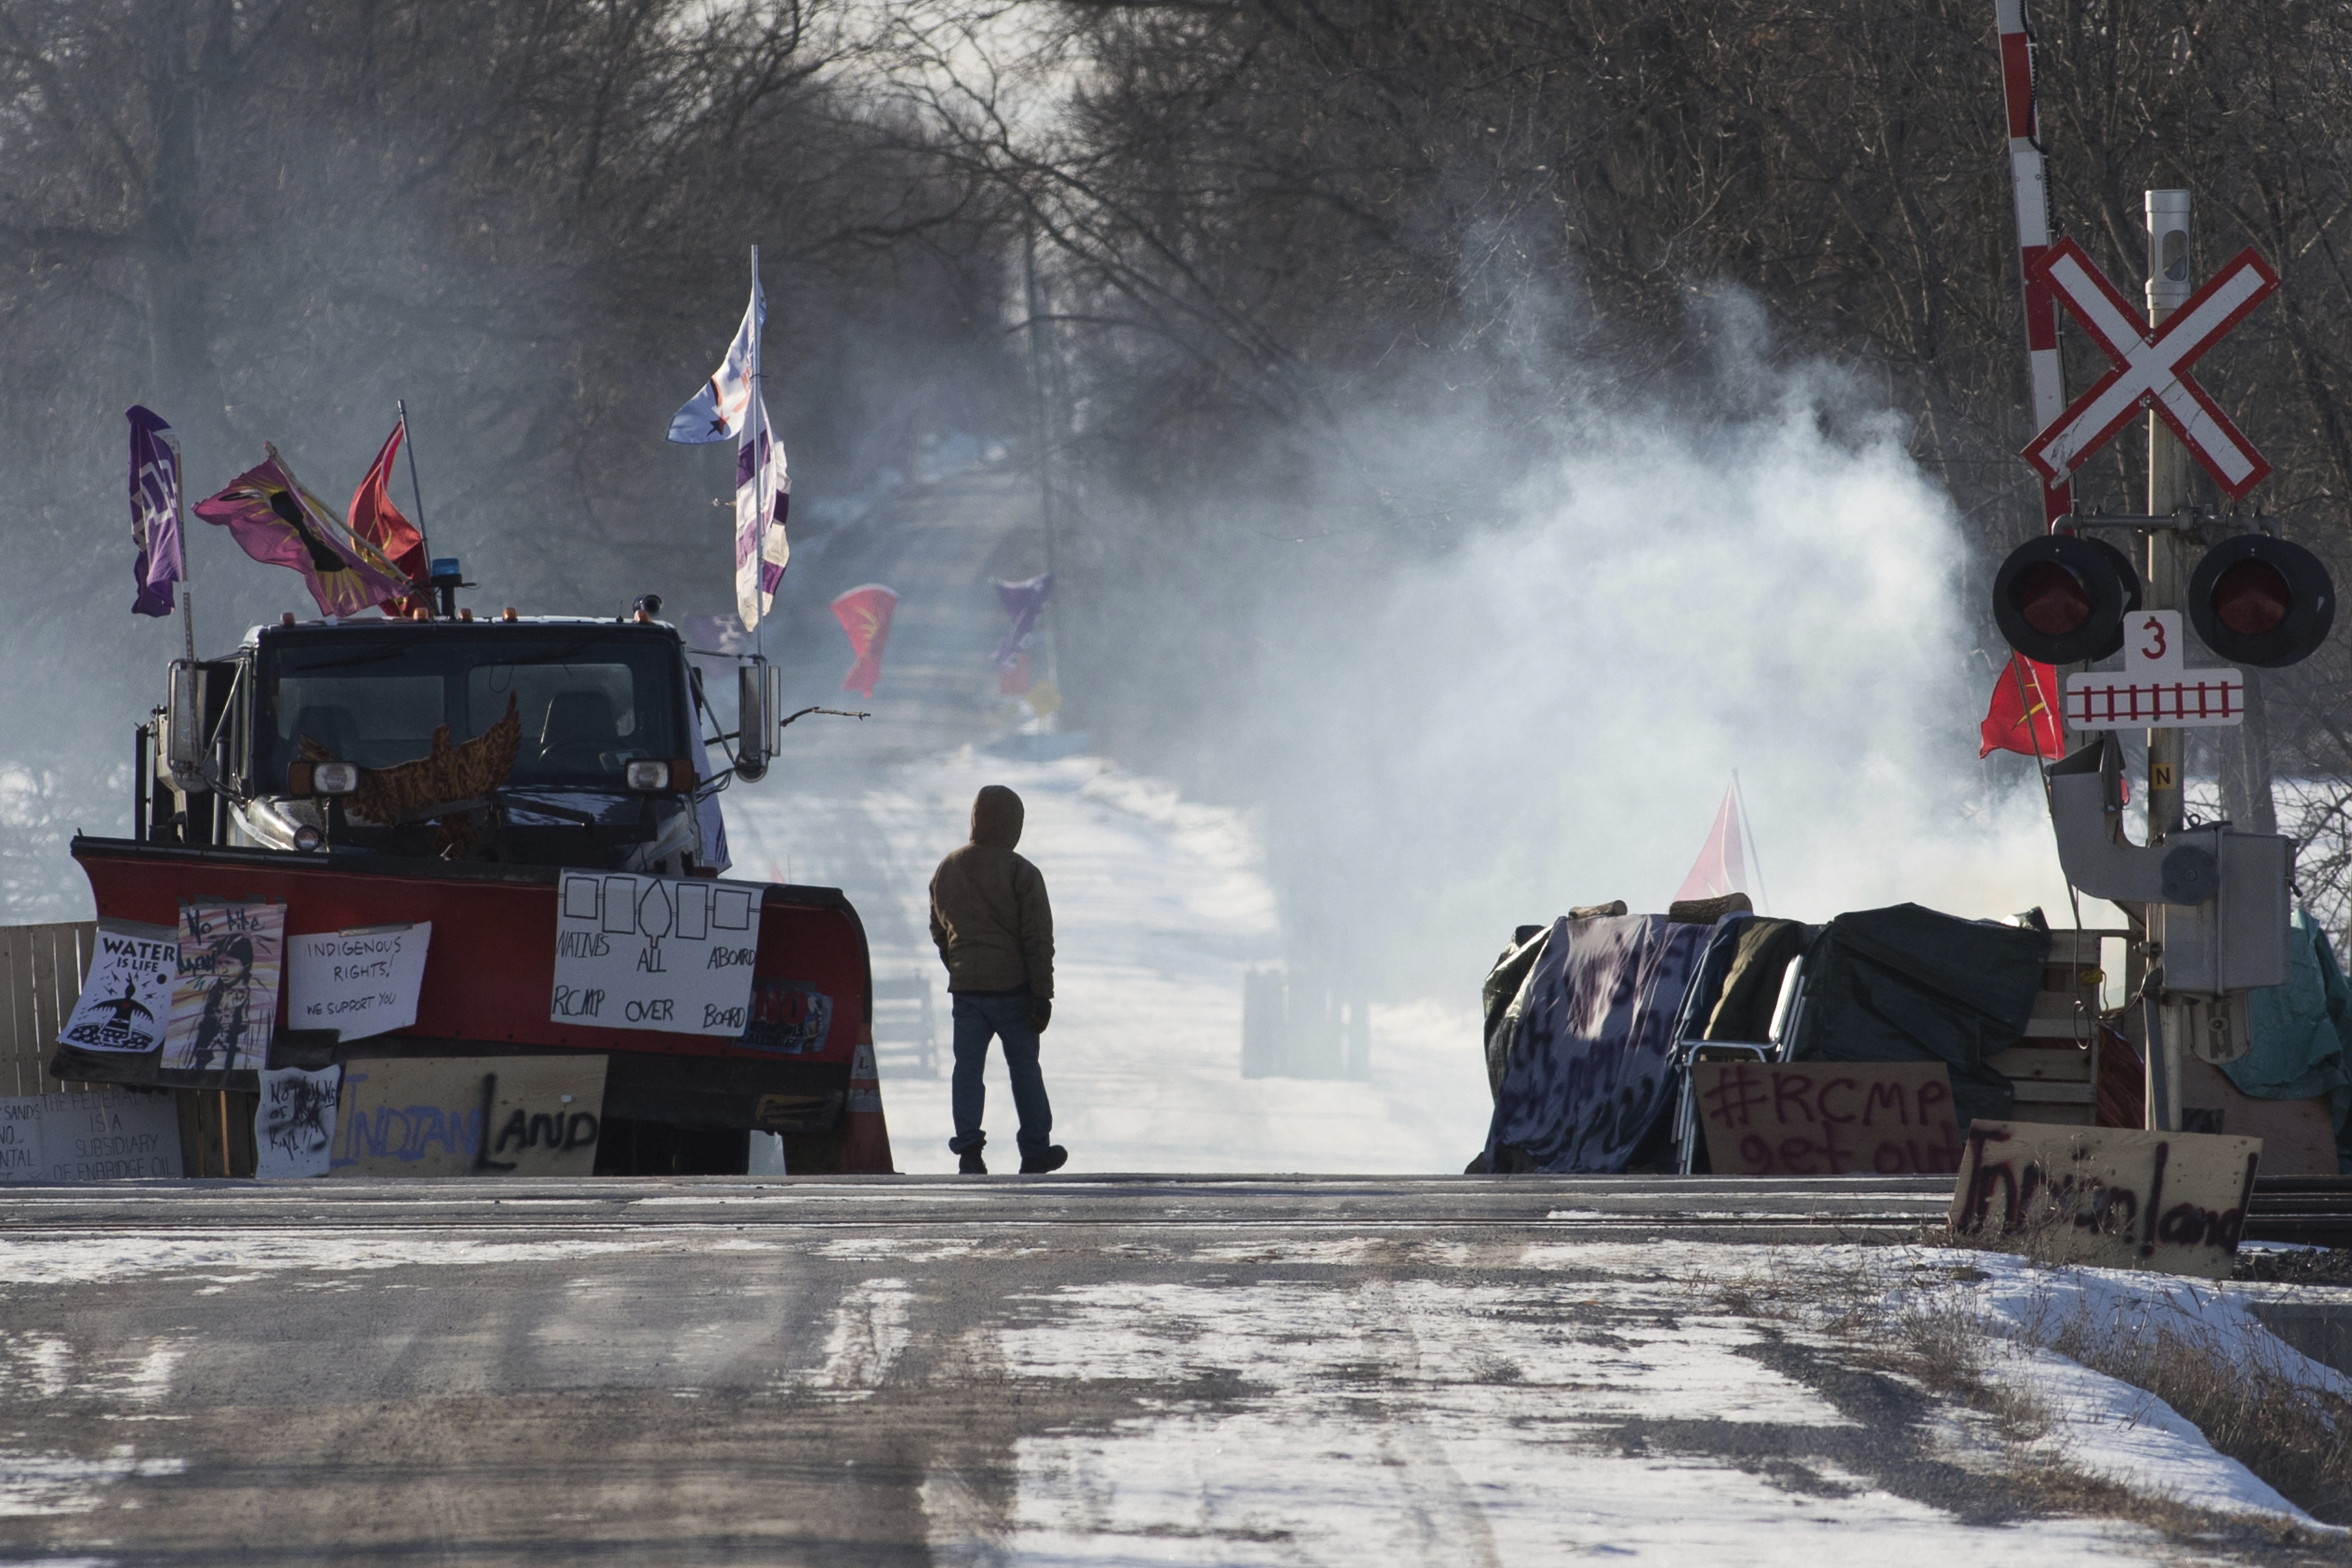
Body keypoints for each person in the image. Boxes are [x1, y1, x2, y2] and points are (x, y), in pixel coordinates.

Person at [929, 784, 1066, 1175]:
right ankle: (1035, 1150)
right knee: (1024, 1069)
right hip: (1015, 994)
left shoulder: (948, 868)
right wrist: (1043, 994)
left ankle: (970, 1150)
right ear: (1014, 824)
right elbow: (1038, 939)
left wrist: (959, 965)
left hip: (967, 993)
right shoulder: (1022, 872)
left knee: (967, 1070)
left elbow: (939, 929)